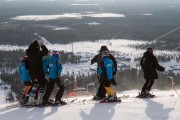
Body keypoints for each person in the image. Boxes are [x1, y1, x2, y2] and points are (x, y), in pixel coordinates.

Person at [26, 39, 48, 105]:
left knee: (35, 84)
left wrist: (33, 43)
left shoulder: (29, 52)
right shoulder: (37, 53)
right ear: (37, 46)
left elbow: (31, 47)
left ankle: (31, 100)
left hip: (32, 72)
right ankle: (40, 100)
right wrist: (42, 45)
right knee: (42, 84)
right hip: (39, 71)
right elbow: (46, 51)